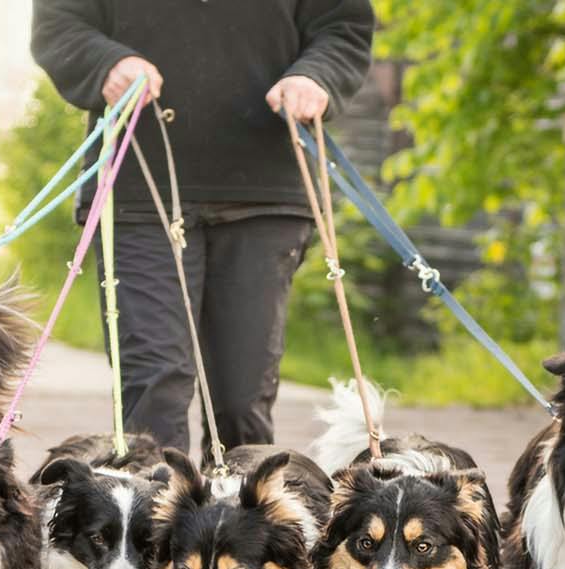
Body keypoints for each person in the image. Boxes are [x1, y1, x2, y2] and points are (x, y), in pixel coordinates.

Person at [31, 1, 375, 455]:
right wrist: (105, 63)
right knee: (154, 385)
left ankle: (242, 521)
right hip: (139, 190)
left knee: (241, 401)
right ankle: (159, 521)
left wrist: (316, 75)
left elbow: (343, 24)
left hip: (266, 192)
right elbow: (59, 22)